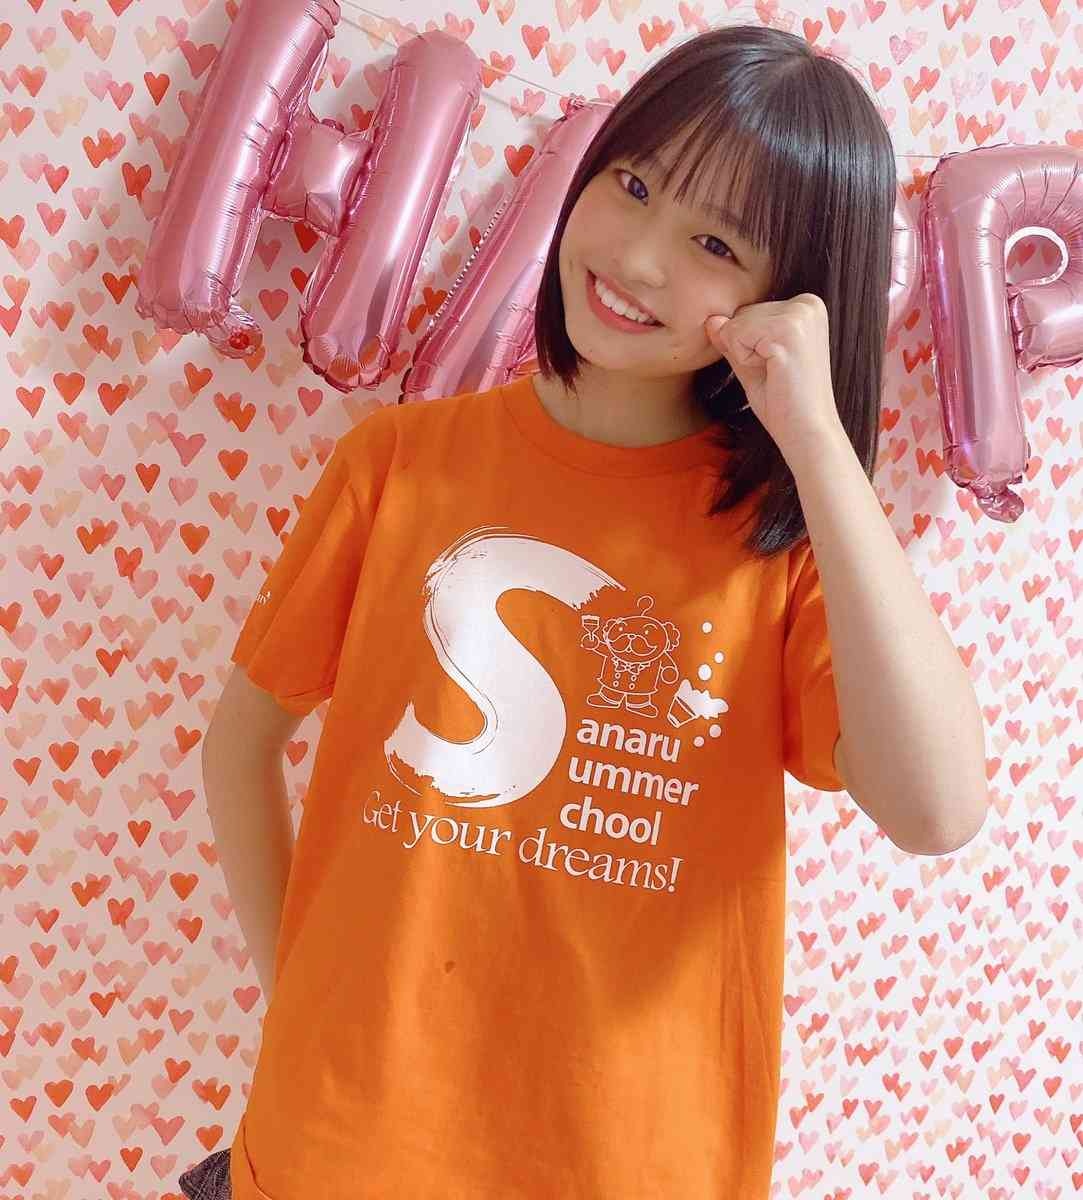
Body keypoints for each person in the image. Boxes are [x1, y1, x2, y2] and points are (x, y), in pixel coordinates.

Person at [187, 22, 896, 1200]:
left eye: (715, 242)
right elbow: (239, 744)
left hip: (630, 1166)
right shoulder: (399, 465)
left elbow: (936, 807)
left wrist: (820, 444)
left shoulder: (786, 543)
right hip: (339, 1150)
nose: (640, 258)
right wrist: (303, 1001)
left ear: (792, 296)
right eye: (634, 184)